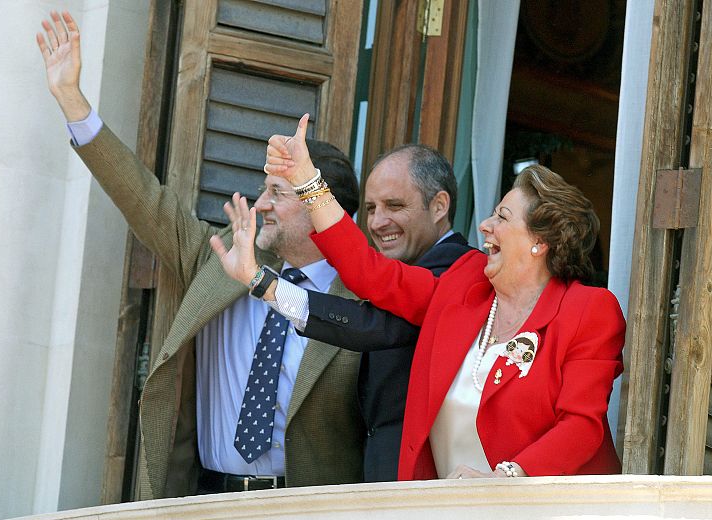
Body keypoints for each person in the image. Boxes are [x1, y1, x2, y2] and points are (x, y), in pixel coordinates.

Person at [36, 13, 365, 497]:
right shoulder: (220, 260)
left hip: (304, 518)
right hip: (205, 504)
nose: (262, 204)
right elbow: (144, 198)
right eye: (261, 190)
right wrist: (71, 99)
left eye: (279, 192)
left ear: (322, 203)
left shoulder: (363, 306)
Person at [214, 114, 625, 479]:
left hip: (548, 515)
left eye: (502, 217)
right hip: (449, 516)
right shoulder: (465, 284)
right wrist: (307, 182)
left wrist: (508, 480)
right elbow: (369, 273)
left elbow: (581, 425)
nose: (484, 226)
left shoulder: (589, 310)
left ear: (540, 242)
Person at [250, 145, 473, 481]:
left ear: (439, 206)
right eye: (370, 208)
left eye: (394, 206)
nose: (379, 222)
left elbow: (367, 323)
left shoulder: (460, 271)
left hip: (424, 492)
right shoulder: (404, 268)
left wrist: (265, 285)